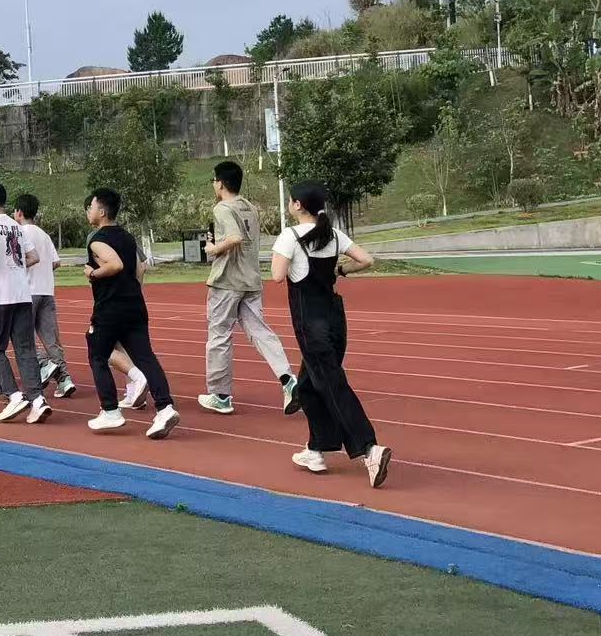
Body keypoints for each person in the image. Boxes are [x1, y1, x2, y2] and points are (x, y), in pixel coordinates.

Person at [271, 182, 391, 487]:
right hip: (335, 320)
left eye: (290, 201)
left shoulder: (290, 236)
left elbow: (277, 276)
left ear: (297, 205)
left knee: (332, 385)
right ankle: (316, 450)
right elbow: (367, 260)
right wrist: (341, 271)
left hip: (311, 325)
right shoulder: (334, 235)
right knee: (307, 387)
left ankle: (369, 448)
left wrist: (287, 256)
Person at [201, 160, 298, 417]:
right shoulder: (250, 207)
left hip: (227, 281)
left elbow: (235, 237)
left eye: (214, 181)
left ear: (221, 183)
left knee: (219, 336)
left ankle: (220, 395)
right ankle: (288, 379)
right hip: (251, 280)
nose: (213, 185)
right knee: (260, 332)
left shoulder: (223, 208)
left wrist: (213, 249)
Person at [83, 188, 180, 440]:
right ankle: (165, 408)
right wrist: (132, 292)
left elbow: (115, 265)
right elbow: (139, 270)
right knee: (145, 356)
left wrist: (93, 273)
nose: (88, 211)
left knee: (97, 355)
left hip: (109, 308)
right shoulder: (128, 237)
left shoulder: (97, 240)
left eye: (91, 206)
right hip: (135, 305)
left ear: (101, 211)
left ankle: (110, 411)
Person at [0, 182, 51, 425]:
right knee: (25, 350)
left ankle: (14, 395)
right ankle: (38, 400)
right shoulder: (16, 226)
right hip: (22, 295)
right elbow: (34, 257)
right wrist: (15, 267)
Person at [14, 193, 76, 400]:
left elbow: (15, 261)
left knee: (24, 337)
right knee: (51, 339)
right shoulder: (43, 234)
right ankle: (64, 379)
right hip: (46, 291)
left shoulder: (18, 233)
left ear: (19, 212)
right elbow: (56, 262)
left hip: (27, 292)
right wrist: (43, 272)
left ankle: (44, 364)